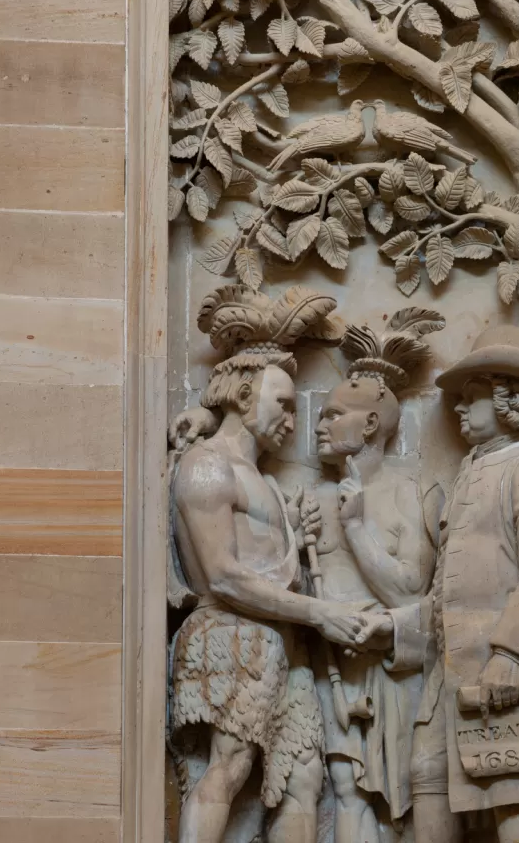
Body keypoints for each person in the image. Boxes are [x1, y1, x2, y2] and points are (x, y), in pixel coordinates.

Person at [357, 325, 519, 843]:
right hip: (451, 677)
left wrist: (513, 655)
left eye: (471, 397)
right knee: (427, 778)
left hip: (510, 674)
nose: (458, 409)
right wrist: (392, 626)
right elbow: (445, 591)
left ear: (509, 399)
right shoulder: (466, 479)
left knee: (516, 792)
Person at [167, 284, 370, 843]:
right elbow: (226, 576)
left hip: (283, 641)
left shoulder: (268, 484)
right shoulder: (208, 467)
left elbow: (272, 569)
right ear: (242, 395)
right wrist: (318, 611)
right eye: (282, 404)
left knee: (305, 779)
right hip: (231, 635)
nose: (291, 419)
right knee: (228, 769)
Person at [308, 309, 443, 842]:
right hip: (335, 670)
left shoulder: (415, 491)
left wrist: (358, 528)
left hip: (397, 674)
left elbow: (412, 589)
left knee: (404, 800)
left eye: (333, 414)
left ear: (369, 425)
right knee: (344, 786)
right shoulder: (311, 497)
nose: (318, 424)